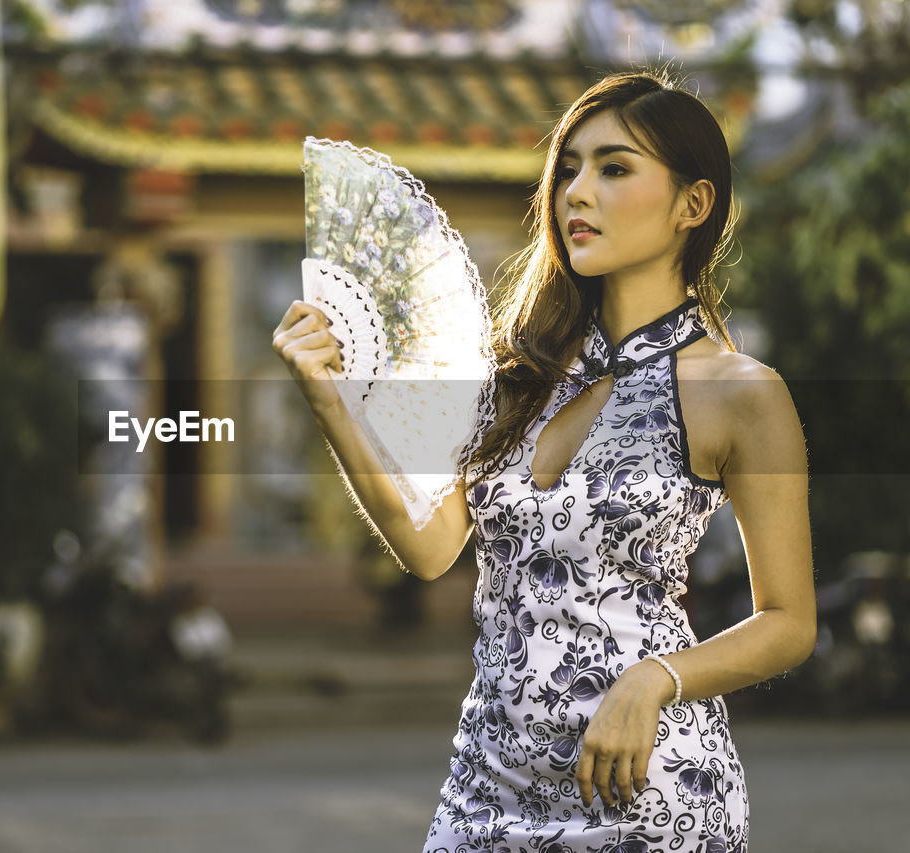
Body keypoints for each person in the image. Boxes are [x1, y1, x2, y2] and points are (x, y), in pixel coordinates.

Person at [272, 69, 816, 852]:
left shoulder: (739, 391)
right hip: (486, 787)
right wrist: (330, 401)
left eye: (614, 168)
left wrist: (655, 677)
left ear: (692, 205)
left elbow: (790, 623)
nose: (577, 193)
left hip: (646, 788)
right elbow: (429, 549)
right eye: (568, 169)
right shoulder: (517, 377)